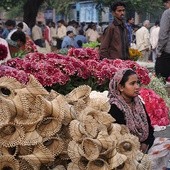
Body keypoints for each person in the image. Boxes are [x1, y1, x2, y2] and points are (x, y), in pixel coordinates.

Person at [108, 68, 155, 153]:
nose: (137, 87)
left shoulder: (138, 103)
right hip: (125, 151)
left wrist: (145, 143)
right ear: (121, 87)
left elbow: (149, 128)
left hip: (143, 147)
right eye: (132, 83)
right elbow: (119, 138)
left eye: (137, 83)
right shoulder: (114, 107)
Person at [155, 0, 170, 81]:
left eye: (166, 2)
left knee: (160, 82)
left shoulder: (167, 13)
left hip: (167, 53)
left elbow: (163, 34)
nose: (165, 4)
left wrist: (159, 51)